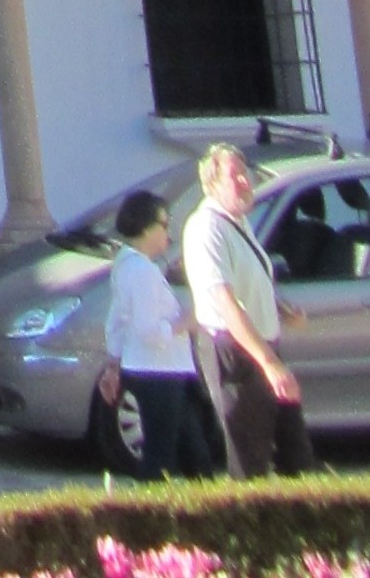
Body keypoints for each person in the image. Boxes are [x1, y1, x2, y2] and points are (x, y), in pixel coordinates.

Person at [184, 143, 313, 475]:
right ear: (211, 184)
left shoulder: (238, 221)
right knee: (249, 462)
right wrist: (269, 364)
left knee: (296, 455)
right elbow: (226, 303)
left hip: (262, 348)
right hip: (235, 355)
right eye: (234, 175)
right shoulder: (206, 229)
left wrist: (282, 310)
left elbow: (250, 282)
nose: (244, 181)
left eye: (245, 174)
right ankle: (247, 524)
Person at [96, 190, 214, 480]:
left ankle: (204, 512)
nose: (168, 233)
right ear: (145, 227)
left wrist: (114, 362)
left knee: (194, 452)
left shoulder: (129, 264)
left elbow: (118, 321)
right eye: (164, 224)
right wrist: (185, 322)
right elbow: (148, 330)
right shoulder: (139, 270)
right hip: (157, 371)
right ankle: (153, 516)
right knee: (161, 457)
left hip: (161, 369)